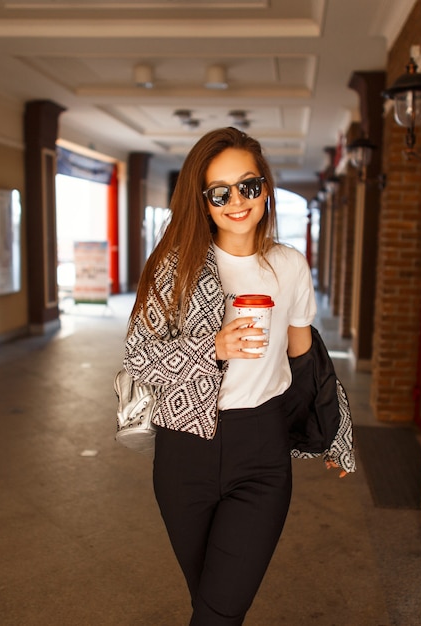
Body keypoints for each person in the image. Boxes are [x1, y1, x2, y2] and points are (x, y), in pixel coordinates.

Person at [123, 127, 353, 626]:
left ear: (265, 188)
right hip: (185, 451)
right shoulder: (174, 266)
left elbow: (303, 356)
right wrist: (213, 347)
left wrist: (335, 430)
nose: (236, 201)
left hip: (261, 450)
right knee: (210, 603)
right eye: (219, 192)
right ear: (203, 202)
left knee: (219, 612)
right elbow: (139, 360)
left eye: (248, 185)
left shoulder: (289, 266)